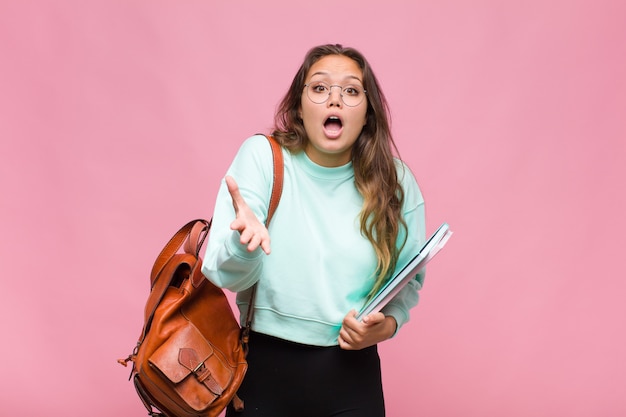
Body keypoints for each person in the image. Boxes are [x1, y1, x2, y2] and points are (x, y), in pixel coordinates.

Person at [202, 44, 426, 417]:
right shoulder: (262, 158)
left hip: (353, 377)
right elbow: (223, 272)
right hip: (262, 374)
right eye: (320, 88)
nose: (334, 100)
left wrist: (385, 326)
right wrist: (246, 247)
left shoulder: (396, 182)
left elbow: (409, 280)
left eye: (351, 91)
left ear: (368, 114)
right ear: (298, 107)